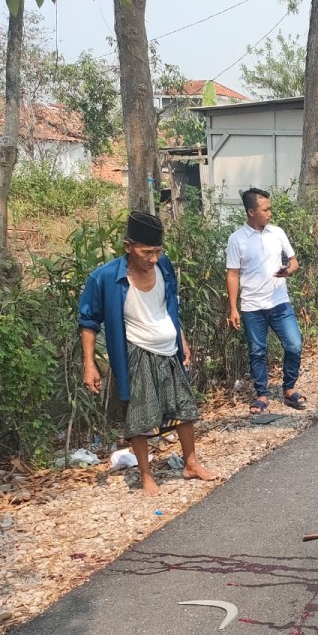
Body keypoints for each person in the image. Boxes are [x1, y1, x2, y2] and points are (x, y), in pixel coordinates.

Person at [78, 210, 220, 497]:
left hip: (169, 350)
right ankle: (146, 476)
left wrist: (182, 338)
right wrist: (89, 365)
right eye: (146, 252)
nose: (153, 258)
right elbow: (88, 322)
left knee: (185, 409)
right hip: (137, 353)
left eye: (157, 251)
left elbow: (169, 306)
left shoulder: (164, 266)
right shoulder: (105, 277)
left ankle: (191, 463)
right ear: (128, 247)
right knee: (140, 417)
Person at [226, 188, 306, 415]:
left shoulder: (277, 233)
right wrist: (233, 308)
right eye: (266, 209)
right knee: (257, 351)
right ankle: (262, 394)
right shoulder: (237, 239)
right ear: (251, 212)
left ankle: (289, 389)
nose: (270, 213)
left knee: (294, 344)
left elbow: (294, 262)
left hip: (280, 302)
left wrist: (288, 271)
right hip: (252, 307)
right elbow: (232, 274)